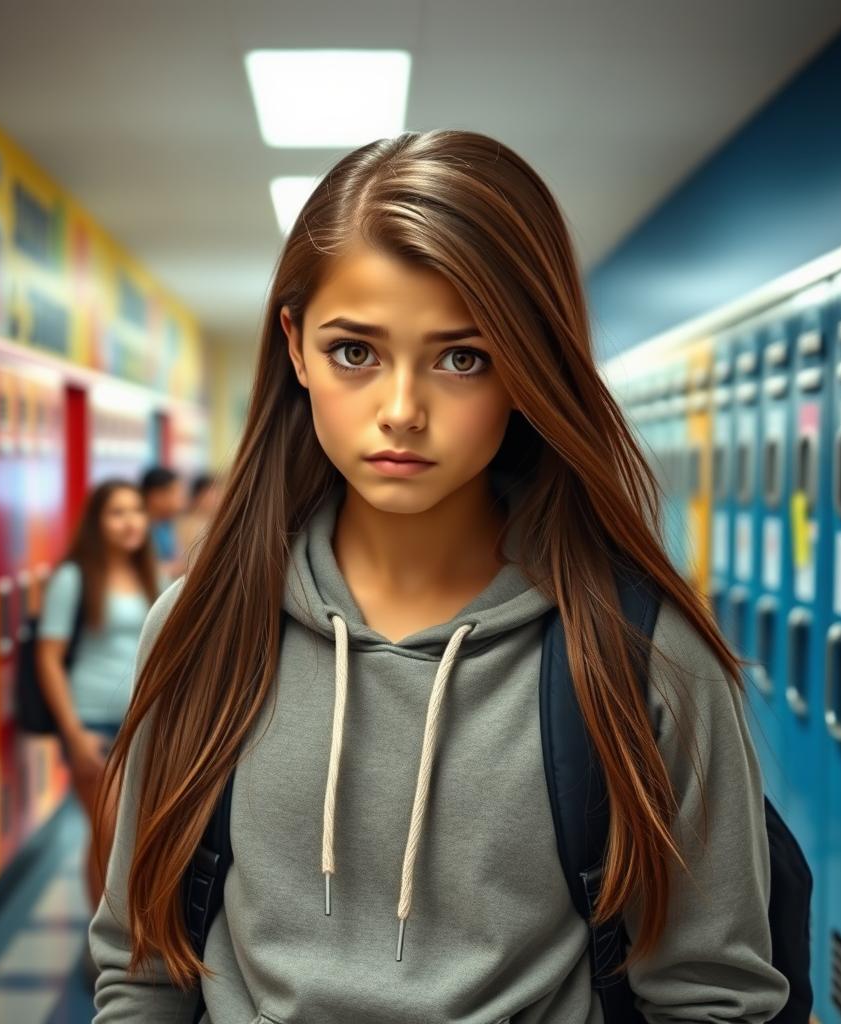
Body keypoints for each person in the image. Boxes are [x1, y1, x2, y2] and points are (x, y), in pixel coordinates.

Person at [91, 131, 789, 1023]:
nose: (401, 410)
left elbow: (712, 998)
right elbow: (144, 966)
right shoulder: (201, 630)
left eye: (463, 357)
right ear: (296, 348)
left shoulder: (644, 654)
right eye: (356, 352)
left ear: (528, 370)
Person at [36, 479, 158, 913]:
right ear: (97, 521)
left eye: (137, 511)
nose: (130, 522)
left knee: (136, 840)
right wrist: (73, 733)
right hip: (94, 724)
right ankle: (104, 945)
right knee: (107, 834)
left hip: (142, 722)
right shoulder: (74, 577)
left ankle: (130, 936)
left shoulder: (151, 574)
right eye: (117, 513)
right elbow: (48, 657)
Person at [140, 465, 184, 580]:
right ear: (155, 496)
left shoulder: (167, 524)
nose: (181, 498)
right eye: (175, 492)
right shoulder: (140, 528)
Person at [175, 470, 223, 567]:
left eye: (218, 493)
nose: (218, 499)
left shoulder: (211, 522)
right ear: (199, 496)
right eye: (213, 494)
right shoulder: (189, 524)